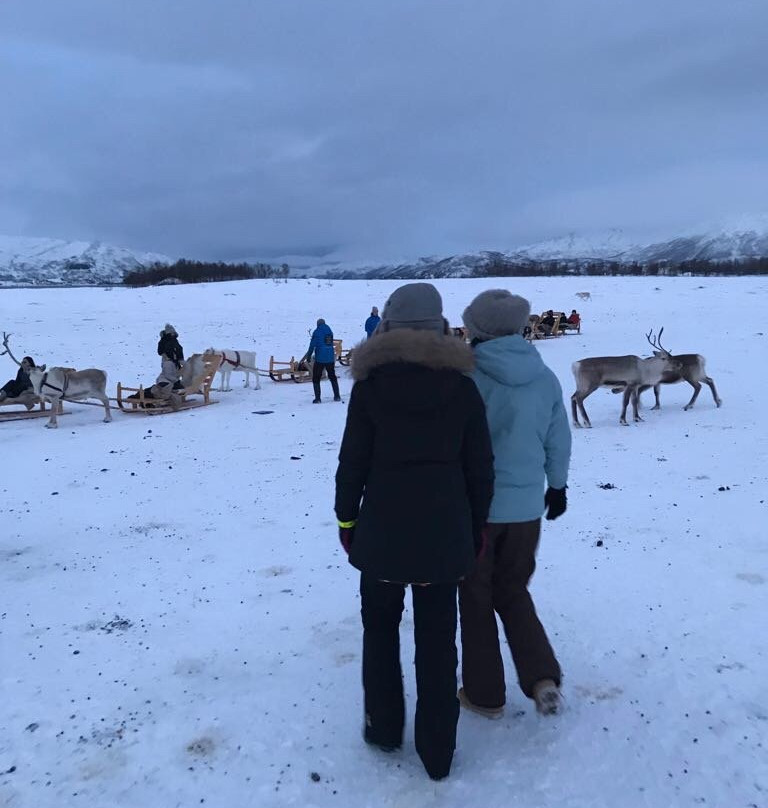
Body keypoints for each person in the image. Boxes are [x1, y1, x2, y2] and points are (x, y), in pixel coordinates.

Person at [335, 283, 494, 781]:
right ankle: (437, 752)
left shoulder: (370, 387)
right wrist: (475, 528)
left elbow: (352, 464)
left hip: (380, 535)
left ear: (387, 327)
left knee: (379, 632)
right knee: (437, 641)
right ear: (440, 327)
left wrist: (347, 524)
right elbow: (480, 470)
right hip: (445, 537)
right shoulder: (463, 387)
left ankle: (383, 728)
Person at [459, 289, 572, 720]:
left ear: (478, 327)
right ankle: (542, 677)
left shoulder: (468, 376)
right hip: (527, 509)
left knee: (474, 596)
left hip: (478, 512)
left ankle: (485, 695)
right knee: (513, 591)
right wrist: (557, 487)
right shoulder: (544, 377)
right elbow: (557, 438)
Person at [303, 318, 341, 403]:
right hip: (330, 358)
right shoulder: (330, 331)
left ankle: (318, 398)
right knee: (332, 376)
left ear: (318, 324)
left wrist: (308, 356)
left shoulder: (316, 332)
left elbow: (312, 346)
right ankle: (337, 396)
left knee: (316, 377)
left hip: (320, 358)